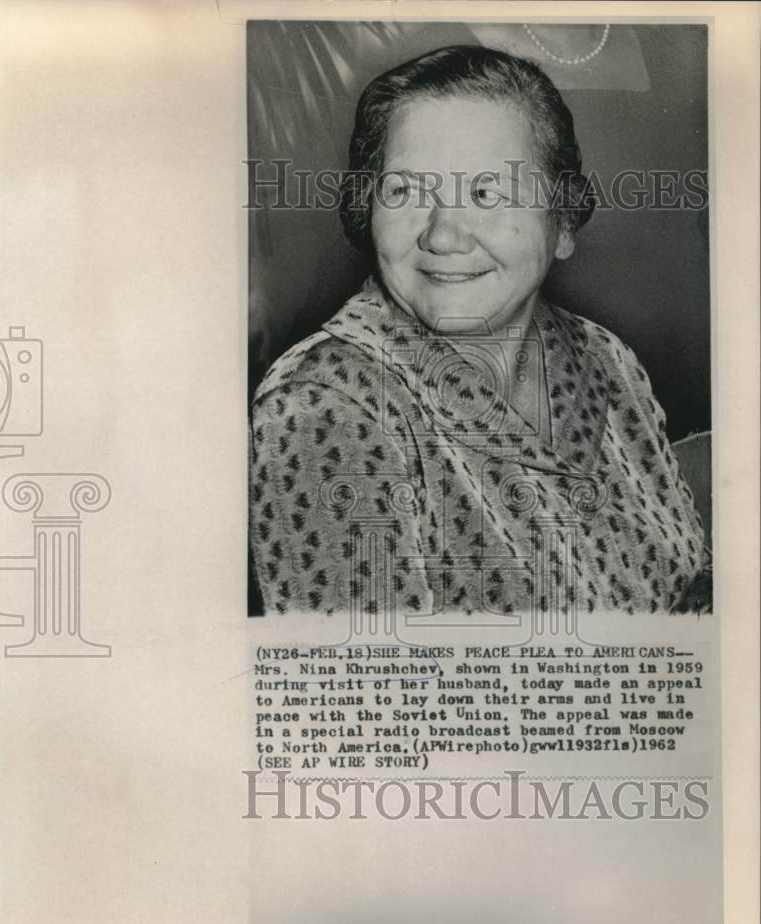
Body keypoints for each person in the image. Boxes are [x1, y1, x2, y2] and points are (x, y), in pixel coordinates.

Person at [249, 44, 708, 616]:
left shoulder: (604, 359)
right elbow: (370, 693)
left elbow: (687, 592)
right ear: (366, 211)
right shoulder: (324, 405)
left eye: (488, 192)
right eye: (405, 192)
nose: (444, 236)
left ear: (561, 221)